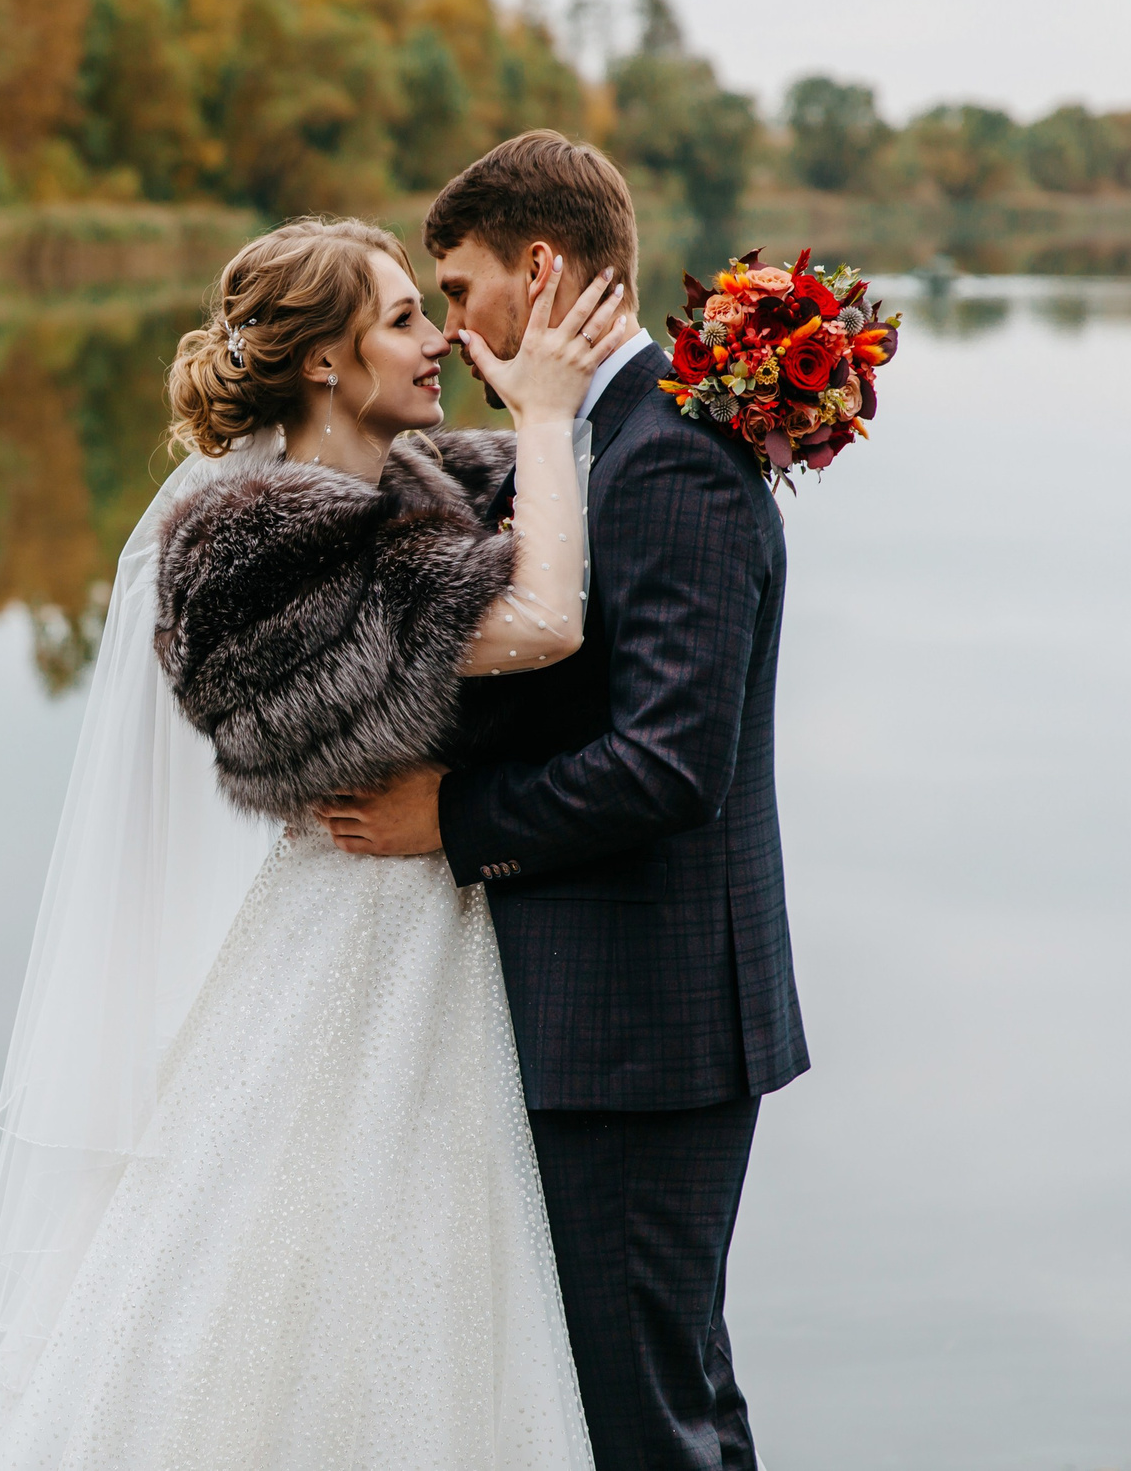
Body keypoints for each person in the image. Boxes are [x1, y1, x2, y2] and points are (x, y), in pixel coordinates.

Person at [0, 213, 639, 1468]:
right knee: (281, 1282)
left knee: (415, 1282)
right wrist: (541, 416)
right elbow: (540, 616)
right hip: (343, 943)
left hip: (427, 935)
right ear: (323, 362)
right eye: (402, 319)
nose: (438, 339)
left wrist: (639, 399)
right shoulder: (262, 548)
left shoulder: (408, 499)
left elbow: (569, 492)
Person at [316, 132, 808, 1471]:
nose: (455, 326)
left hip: (645, 1029)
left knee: (647, 1412)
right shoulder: (586, 444)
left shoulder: (668, 458)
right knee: (643, 1392)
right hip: (602, 1015)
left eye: (462, 289)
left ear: (538, 272)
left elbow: (668, 760)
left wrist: (451, 819)